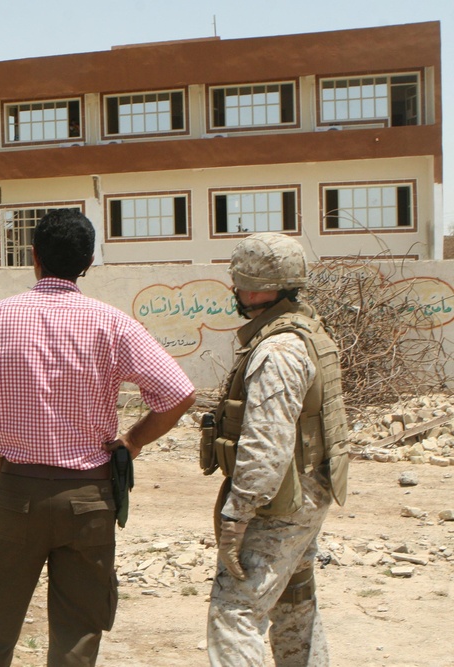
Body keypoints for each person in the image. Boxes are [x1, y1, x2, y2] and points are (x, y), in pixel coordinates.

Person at [0, 208, 196, 667]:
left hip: (15, 493)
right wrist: (134, 441)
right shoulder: (113, 324)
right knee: (78, 633)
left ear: (33, 257)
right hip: (89, 498)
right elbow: (178, 394)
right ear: (87, 262)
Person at [202, 232, 349, 666]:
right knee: (294, 602)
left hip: (279, 505)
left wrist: (237, 517)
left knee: (234, 611)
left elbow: (266, 446)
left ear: (246, 286)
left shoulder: (277, 349)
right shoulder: (305, 331)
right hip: (307, 496)